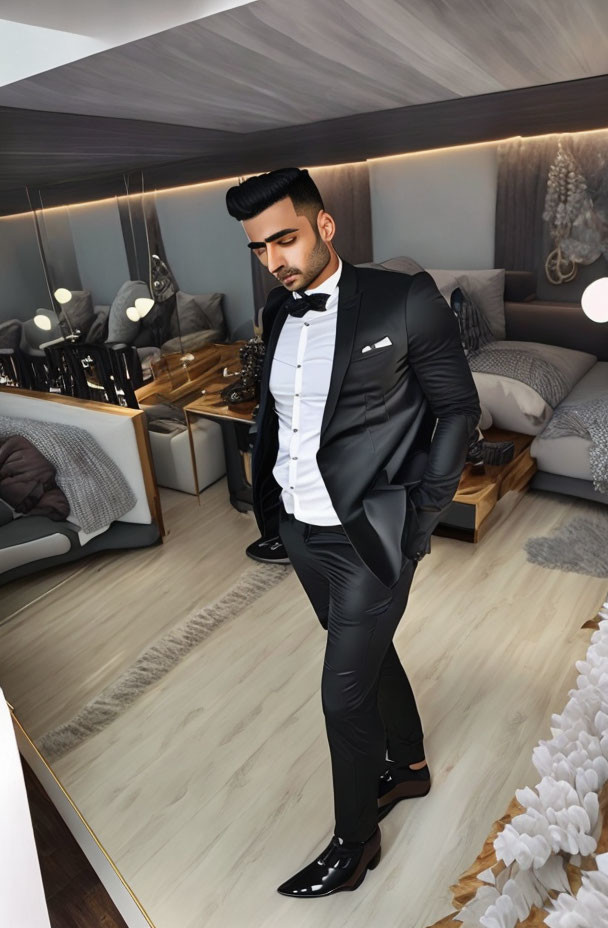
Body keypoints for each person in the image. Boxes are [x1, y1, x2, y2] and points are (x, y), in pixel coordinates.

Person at [225, 167, 481, 897]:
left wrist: (422, 514)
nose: (274, 259)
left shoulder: (405, 301)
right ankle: (409, 767)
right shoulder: (278, 313)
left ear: (325, 225)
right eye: (258, 248)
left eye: (286, 238)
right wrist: (269, 505)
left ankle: (354, 844)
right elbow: (283, 419)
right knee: (368, 659)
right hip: (302, 531)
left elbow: (458, 409)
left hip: (373, 533)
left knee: (341, 697)